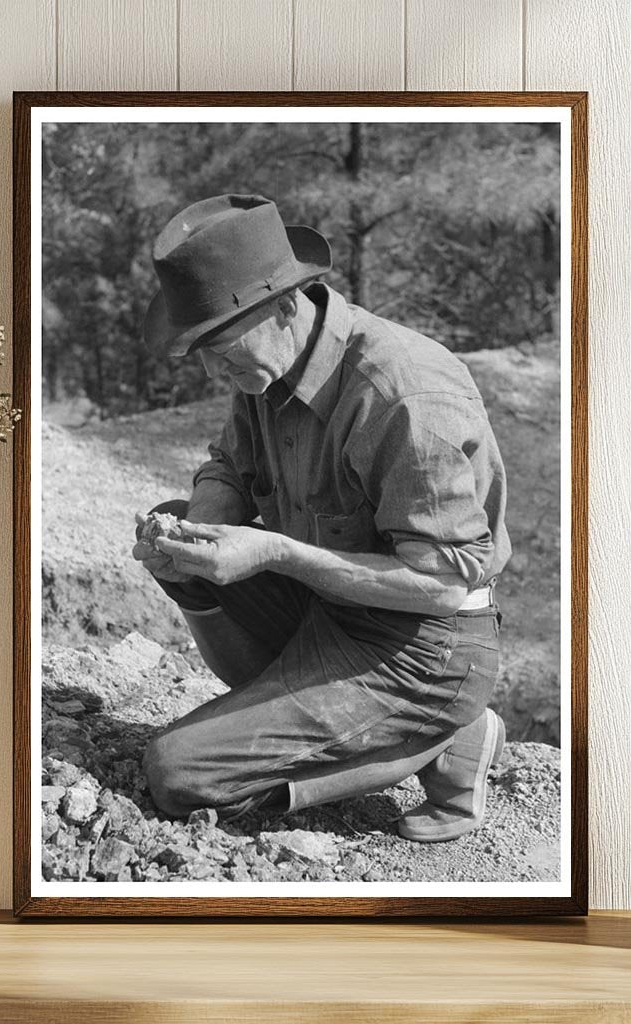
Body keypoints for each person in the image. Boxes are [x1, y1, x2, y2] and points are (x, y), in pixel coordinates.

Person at [131, 193, 511, 842]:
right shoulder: (267, 367)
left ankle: (442, 731)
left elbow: (444, 584)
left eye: (217, 346)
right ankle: (318, 707)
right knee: (179, 528)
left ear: (284, 307)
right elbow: (228, 467)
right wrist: (196, 532)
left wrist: (274, 553)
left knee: (177, 774)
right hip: (329, 609)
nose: (210, 368)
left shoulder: (404, 392)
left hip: (426, 645)